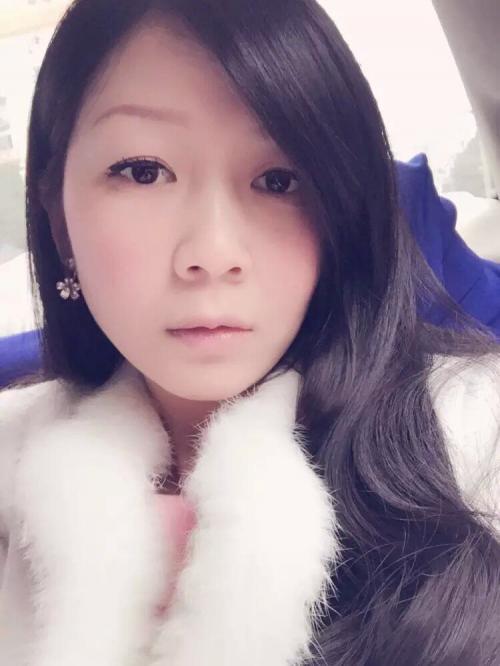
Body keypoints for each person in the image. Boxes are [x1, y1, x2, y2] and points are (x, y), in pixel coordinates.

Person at [0, 1, 499, 664]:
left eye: (277, 180)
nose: (212, 252)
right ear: (59, 220)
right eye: (144, 171)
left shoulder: (477, 435)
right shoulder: (12, 459)